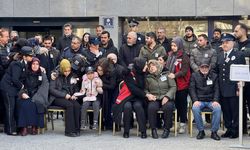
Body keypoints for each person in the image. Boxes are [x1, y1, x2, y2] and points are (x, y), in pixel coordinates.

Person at [216, 33, 246, 139]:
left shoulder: (239, 55)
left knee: (235, 111)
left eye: (227, 42)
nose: (225, 44)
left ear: (233, 43)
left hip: (234, 89)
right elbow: (217, 71)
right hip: (222, 88)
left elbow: (242, 73)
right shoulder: (219, 55)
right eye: (223, 43)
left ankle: (236, 130)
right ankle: (229, 129)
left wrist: (239, 88)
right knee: (226, 111)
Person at [0, 46, 34, 135]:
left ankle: (15, 127)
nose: (32, 57)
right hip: (7, 87)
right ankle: (10, 130)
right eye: (30, 55)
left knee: (14, 107)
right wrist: (22, 86)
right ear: (24, 56)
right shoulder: (17, 64)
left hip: (13, 88)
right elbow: (15, 79)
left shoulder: (25, 63)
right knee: (10, 108)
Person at [113, 57, 148, 139]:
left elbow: (142, 87)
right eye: (145, 64)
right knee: (127, 107)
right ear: (140, 65)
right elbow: (133, 89)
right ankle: (126, 131)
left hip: (138, 97)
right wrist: (145, 95)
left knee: (138, 106)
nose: (146, 66)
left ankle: (143, 131)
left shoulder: (144, 73)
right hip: (128, 96)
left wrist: (144, 94)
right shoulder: (129, 74)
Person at [17, 57, 49, 136]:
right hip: (26, 95)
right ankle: (24, 127)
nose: (35, 66)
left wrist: (35, 97)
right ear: (30, 65)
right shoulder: (25, 73)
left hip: (38, 96)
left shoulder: (42, 74)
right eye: (33, 64)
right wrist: (22, 93)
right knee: (23, 104)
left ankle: (34, 126)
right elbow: (20, 85)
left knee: (35, 104)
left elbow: (45, 86)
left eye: (37, 64)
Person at [145, 60, 177, 139]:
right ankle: (153, 129)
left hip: (166, 97)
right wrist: (149, 95)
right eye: (149, 67)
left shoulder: (167, 75)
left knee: (168, 107)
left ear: (158, 66)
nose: (151, 68)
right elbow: (145, 89)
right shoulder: (148, 78)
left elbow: (173, 87)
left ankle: (166, 129)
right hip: (154, 98)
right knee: (151, 108)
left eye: (153, 65)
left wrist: (167, 96)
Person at [49, 59, 81, 137]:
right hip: (56, 98)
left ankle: (77, 129)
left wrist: (75, 95)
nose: (67, 73)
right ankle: (69, 131)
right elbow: (52, 90)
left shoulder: (72, 75)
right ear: (62, 69)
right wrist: (64, 95)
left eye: (68, 71)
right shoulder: (55, 75)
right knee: (69, 105)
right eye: (65, 71)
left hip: (69, 96)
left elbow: (76, 87)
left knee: (77, 105)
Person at [189, 62, 221, 140]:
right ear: (199, 68)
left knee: (218, 108)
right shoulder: (194, 75)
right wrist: (195, 100)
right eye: (202, 67)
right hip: (199, 100)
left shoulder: (214, 76)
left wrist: (216, 100)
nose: (204, 69)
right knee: (195, 108)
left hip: (211, 100)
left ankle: (214, 132)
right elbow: (191, 89)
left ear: (209, 68)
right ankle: (201, 131)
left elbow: (217, 89)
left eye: (206, 67)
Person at [166, 37, 191, 134]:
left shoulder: (184, 56)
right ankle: (175, 123)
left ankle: (182, 124)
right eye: (172, 45)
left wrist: (175, 75)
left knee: (182, 105)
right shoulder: (170, 55)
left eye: (175, 46)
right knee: (174, 104)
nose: (173, 47)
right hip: (171, 84)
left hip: (182, 84)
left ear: (179, 45)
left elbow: (184, 71)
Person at [234, 23, 250, 134]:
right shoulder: (234, 44)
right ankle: (242, 127)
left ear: (243, 31)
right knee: (239, 104)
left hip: (249, 79)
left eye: (236, 31)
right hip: (237, 80)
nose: (234, 33)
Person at [96, 58, 117, 130]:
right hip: (101, 92)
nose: (99, 72)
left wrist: (102, 85)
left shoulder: (112, 72)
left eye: (101, 70)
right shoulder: (97, 73)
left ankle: (108, 122)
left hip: (111, 92)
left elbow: (112, 86)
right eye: (98, 70)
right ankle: (100, 122)